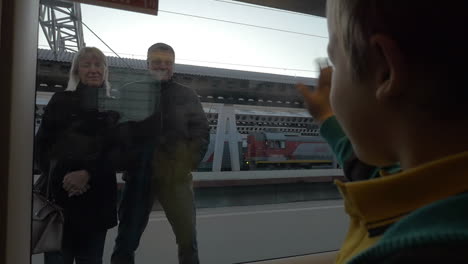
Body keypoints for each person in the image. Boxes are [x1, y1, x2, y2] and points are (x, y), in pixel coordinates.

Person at [301, 0, 468, 262]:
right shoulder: (419, 181)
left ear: (386, 71)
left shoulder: (418, 253)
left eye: (335, 63)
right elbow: (357, 164)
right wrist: (326, 117)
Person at [111, 43, 209, 264]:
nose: (162, 66)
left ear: (173, 66)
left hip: (176, 178)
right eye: (157, 61)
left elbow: (201, 131)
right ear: (147, 64)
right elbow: (117, 132)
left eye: (168, 62)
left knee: (187, 240)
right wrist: (131, 163)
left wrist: (186, 164)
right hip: (138, 179)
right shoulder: (130, 91)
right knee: (126, 241)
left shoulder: (187, 95)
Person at [35, 47, 119, 264]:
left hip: (97, 204)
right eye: (86, 64)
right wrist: (66, 178)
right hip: (61, 203)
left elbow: (120, 152)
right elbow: (42, 146)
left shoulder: (115, 106)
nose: (93, 69)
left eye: (98, 64)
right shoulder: (60, 100)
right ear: (76, 71)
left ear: (105, 70)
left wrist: (87, 173)